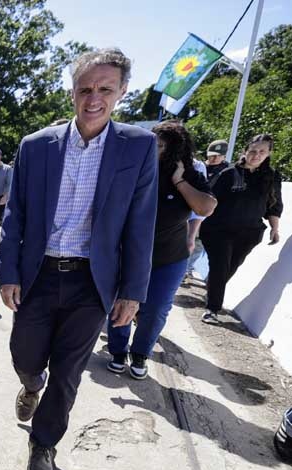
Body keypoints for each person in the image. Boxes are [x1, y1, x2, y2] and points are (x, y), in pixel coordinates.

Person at [0, 48, 158, 470]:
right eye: (85, 88)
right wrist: (7, 272)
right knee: (25, 355)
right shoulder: (36, 146)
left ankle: (43, 443)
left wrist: (133, 291)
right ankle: (31, 385)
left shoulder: (139, 147)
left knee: (69, 373)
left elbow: (142, 223)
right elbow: (16, 215)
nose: (94, 98)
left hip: (93, 281)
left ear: (122, 92)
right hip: (39, 275)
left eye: (105, 89)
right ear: (72, 91)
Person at [107, 121, 216, 378]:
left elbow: (205, 207)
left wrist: (179, 181)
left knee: (155, 309)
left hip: (168, 257)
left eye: (162, 146)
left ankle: (141, 354)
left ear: (175, 150)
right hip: (128, 253)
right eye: (153, 143)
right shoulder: (134, 168)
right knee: (119, 302)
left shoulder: (187, 173)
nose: (155, 149)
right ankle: (118, 351)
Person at [199, 134, 283, 324]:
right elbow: (209, 198)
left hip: (250, 232)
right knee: (220, 266)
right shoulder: (228, 174)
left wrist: (274, 228)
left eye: (262, 152)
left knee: (231, 266)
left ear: (268, 153)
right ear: (245, 152)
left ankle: (212, 290)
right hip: (219, 230)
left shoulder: (272, 176)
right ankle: (212, 309)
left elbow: (275, 205)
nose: (256, 155)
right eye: (252, 151)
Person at [186, 140, 227, 280]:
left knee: (199, 246)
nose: (214, 158)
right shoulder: (198, 167)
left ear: (224, 156)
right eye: (211, 155)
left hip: (213, 217)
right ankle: (185, 269)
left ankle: (189, 268)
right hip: (194, 214)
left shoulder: (226, 172)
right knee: (190, 241)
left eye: (218, 155)